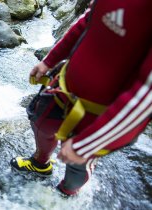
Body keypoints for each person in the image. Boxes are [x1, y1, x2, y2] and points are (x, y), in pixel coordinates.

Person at [10, 0, 152, 196]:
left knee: (78, 162)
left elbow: (146, 97)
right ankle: (40, 163)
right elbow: (87, 22)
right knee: (41, 123)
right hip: (63, 86)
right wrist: (49, 61)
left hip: (99, 114)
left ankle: (67, 191)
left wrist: (88, 144)